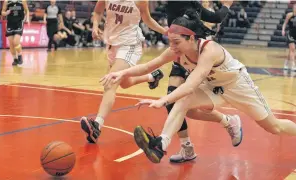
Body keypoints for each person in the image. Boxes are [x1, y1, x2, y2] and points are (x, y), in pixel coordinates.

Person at [100, 11, 296, 164]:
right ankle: (161, 144)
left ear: (192, 39)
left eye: (176, 42)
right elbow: (150, 65)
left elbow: (193, 82)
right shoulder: (177, 49)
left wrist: (162, 100)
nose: (173, 47)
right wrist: (122, 73)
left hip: (238, 86)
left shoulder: (209, 50)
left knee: (274, 127)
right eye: (170, 42)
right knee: (183, 102)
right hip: (214, 87)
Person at [80, 0, 167, 143]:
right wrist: (95, 27)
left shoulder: (140, 1)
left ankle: (97, 126)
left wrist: (164, 31)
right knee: (125, 83)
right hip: (112, 44)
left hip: (130, 44)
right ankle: (152, 77)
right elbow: (97, 11)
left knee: (111, 82)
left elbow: (147, 20)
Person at [161, 0, 235, 163]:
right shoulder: (178, 5)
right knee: (173, 102)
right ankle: (188, 146)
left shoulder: (191, 6)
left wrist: (226, 6)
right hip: (181, 55)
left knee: (180, 103)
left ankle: (226, 121)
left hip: (195, 56)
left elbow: (216, 17)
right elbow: (216, 17)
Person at [1, 0, 29, 66]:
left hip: (19, 22)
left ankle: (20, 56)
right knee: (11, 44)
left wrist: (27, 18)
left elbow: (27, 10)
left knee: (16, 42)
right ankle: (15, 59)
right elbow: (2, 12)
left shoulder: (22, 1)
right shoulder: (6, 1)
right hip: (10, 24)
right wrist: (5, 13)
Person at [282, 4, 296, 71]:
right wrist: (283, 30)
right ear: (293, 8)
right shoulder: (289, 15)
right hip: (291, 34)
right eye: (295, 7)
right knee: (292, 49)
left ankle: (286, 63)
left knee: (291, 51)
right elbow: (285, 23)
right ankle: (293, 65)